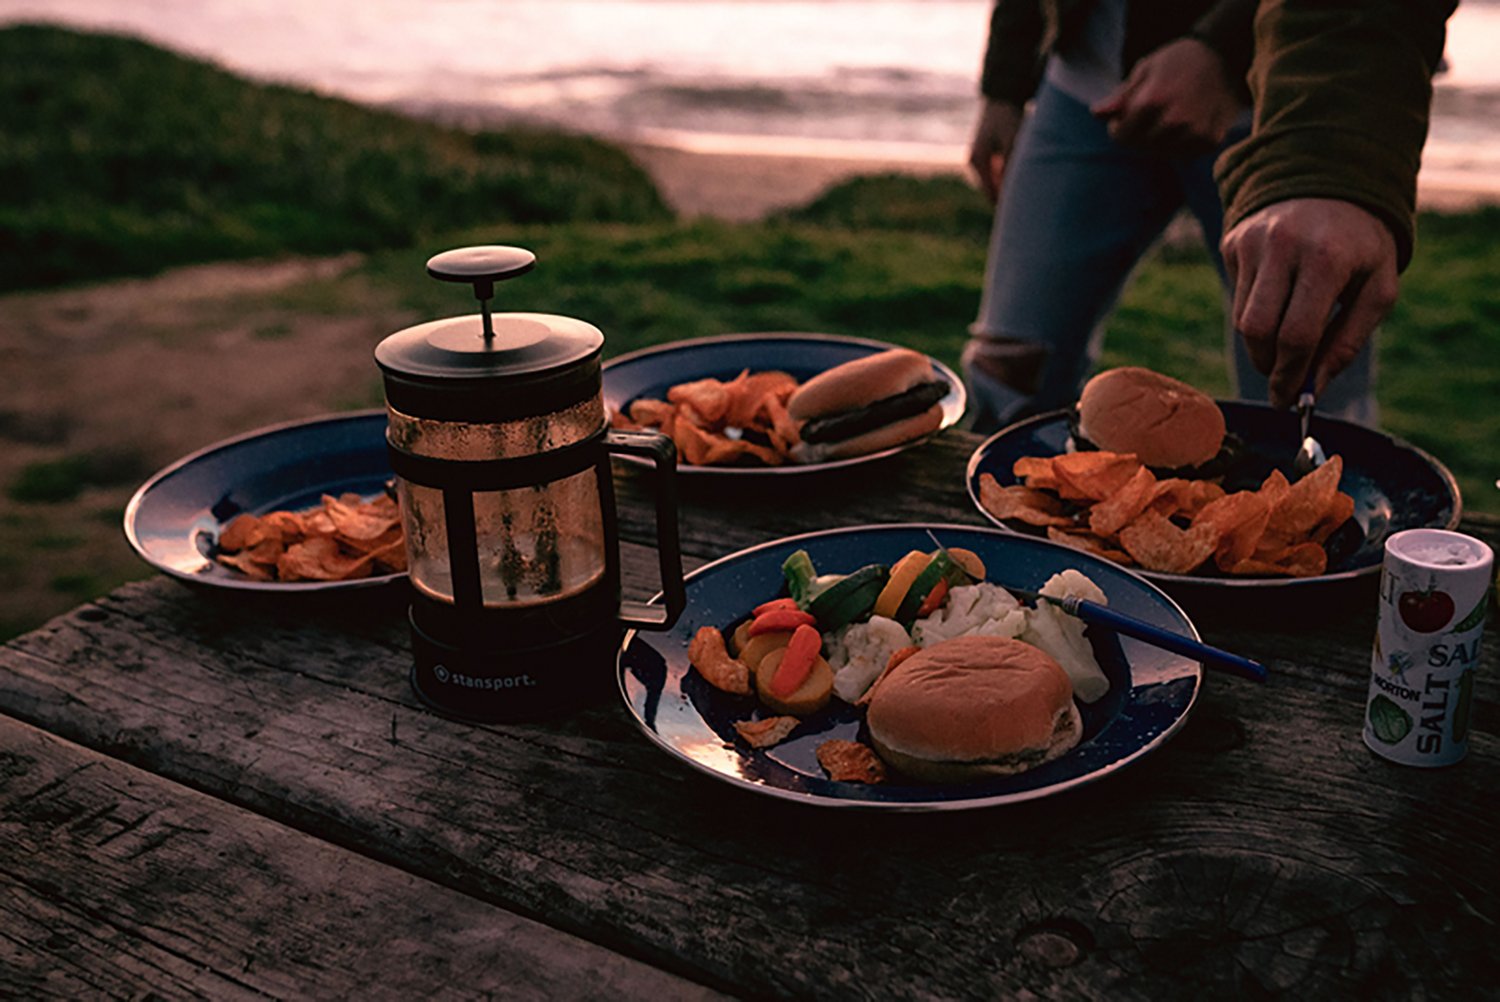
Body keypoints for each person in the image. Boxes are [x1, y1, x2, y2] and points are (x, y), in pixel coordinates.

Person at [964, 0, 1277, 433]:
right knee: (1010, 373)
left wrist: (1227, 47)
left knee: (1300, 386)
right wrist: (1006, 81)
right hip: (1083, 89)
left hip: (1281, 105)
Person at [1215, 0, 1456, 411]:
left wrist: (1326, 164)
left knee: (1312, 376)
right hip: (1073, 73)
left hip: (1276, 112)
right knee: (1062, 360)